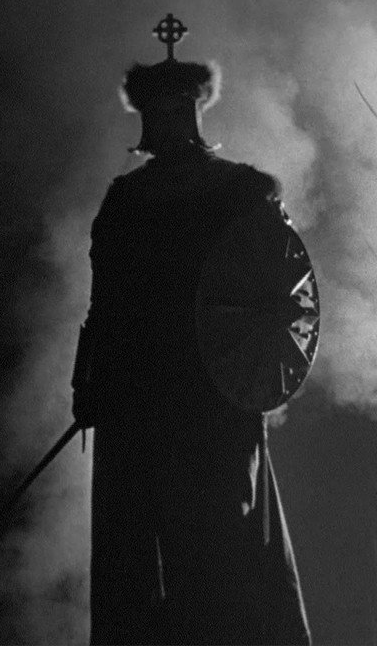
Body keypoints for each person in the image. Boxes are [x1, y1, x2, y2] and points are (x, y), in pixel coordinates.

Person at [72, 55, 311, 645]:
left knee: (221, 550)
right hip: (140, 404)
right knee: (150, 556)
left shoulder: (244, 193)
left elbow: (280, 295)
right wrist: (89, 381)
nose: (168, 122)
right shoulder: (127, 201)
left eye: (176, 110)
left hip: (213, 404)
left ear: (193, 111)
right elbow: (105, 304)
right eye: (159, 112)